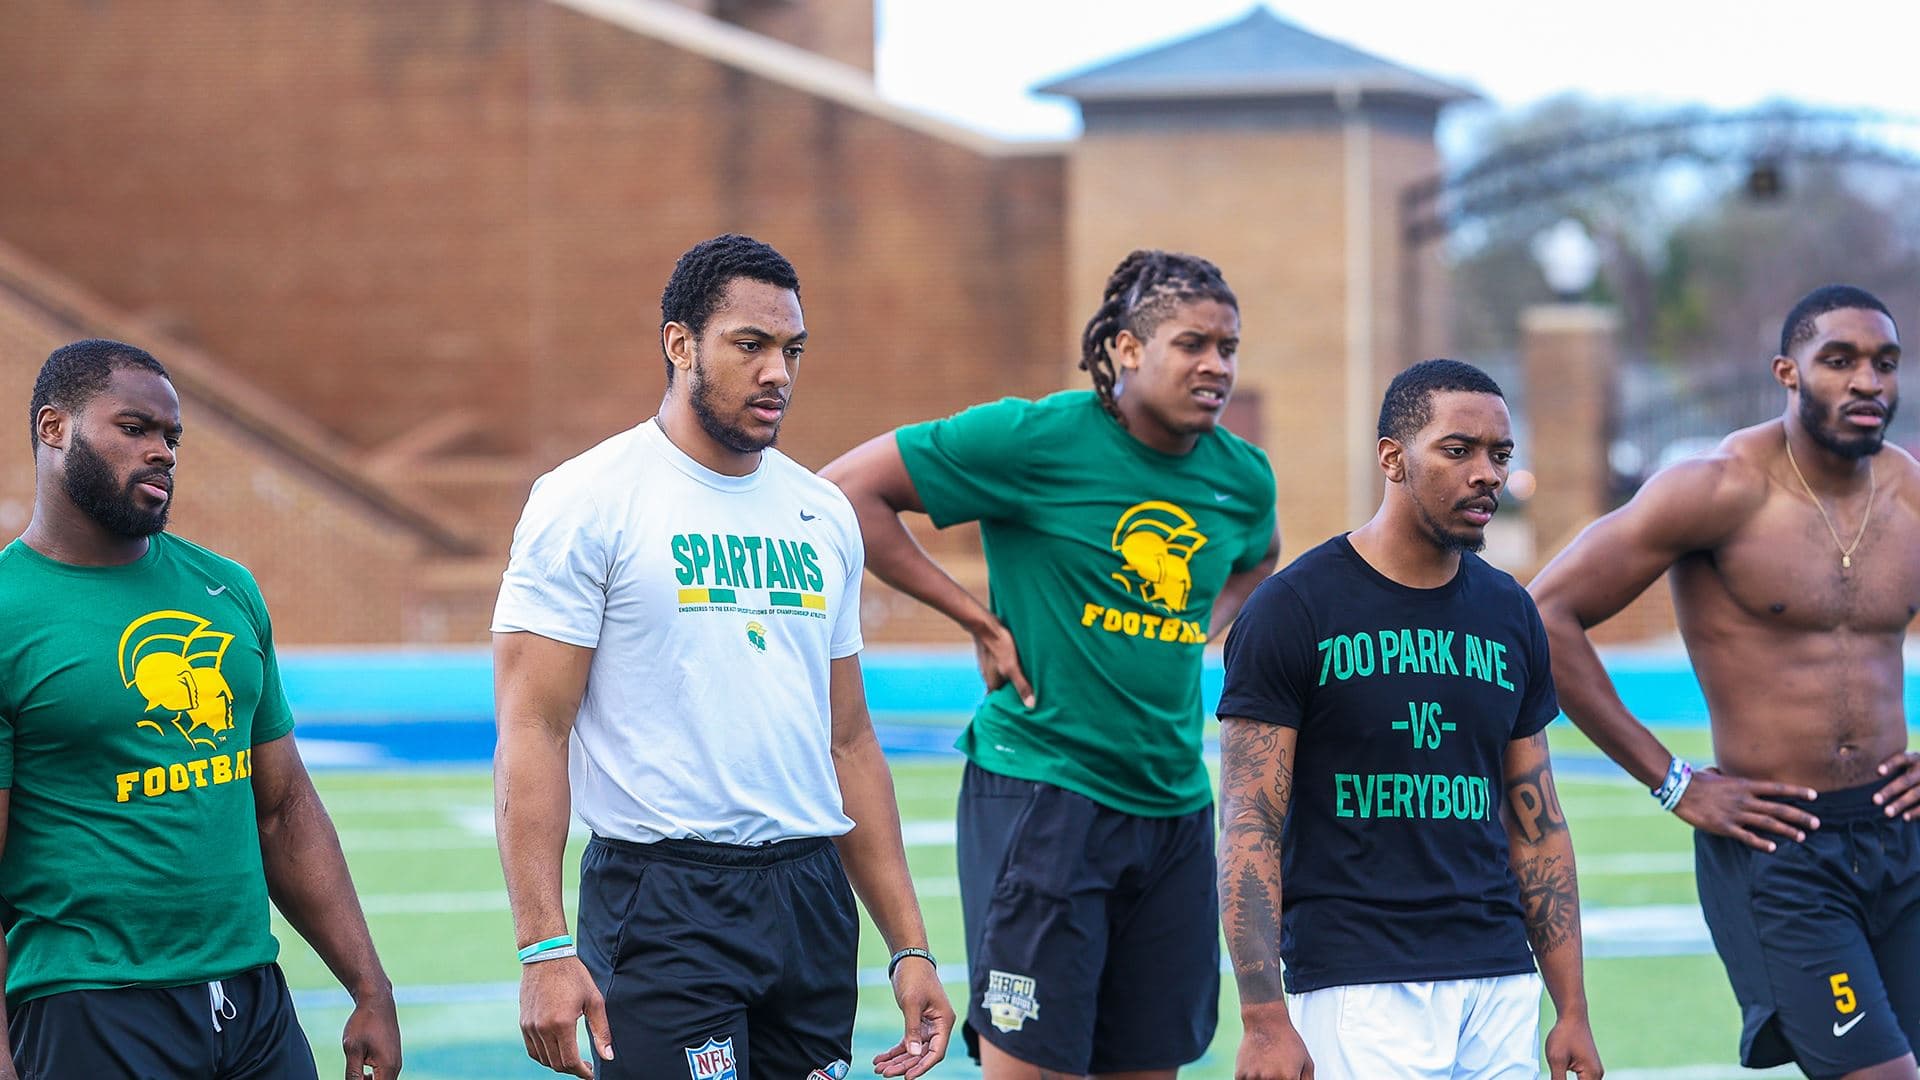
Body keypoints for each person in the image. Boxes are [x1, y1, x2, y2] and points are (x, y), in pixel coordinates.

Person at [492, 233, 953, 1080]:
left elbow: (848, 741)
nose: (778, 371)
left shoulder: (823, 513)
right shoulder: (586, 500)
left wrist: (909, 948)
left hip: (810, 898)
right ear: (680, 344)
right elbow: (533, 729)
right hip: (663, 900)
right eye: (751, 345)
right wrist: (543, 948)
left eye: (792, 350)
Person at [822, 249, 1280, 1079]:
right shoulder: (1035, 437)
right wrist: (976, 618)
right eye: (1193, 344)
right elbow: (846, 491)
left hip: (1176, 808)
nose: (1217, 366)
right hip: (1043, 794)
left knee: (1149, 1064)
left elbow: (1260, 556)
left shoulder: (1242, 478)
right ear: (1130, 349)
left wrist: (1208, 621)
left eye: (1229, 347)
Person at [1531, 284, 1920, 1079]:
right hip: (1779, 847)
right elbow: (1545, 615)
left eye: (1884, 363)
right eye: (1838, 361)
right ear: (1788, 372)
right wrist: (1672, 782)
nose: (1866, 383)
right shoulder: (1717, 490)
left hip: (1900, 836)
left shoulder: (1913, 497)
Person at [0, 339, 402, 1079]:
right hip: (90, 1006)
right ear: (53, 428)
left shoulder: (227, 589)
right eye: (134, 429)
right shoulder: (8, 613)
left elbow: (282, 810)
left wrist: (369, 986)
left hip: (252, 1002)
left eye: (171, 436)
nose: (161, 451)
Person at [1217, 359, 1602, 1080]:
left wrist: (1570, 1007)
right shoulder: (1293, 609)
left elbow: (1537, 824)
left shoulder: (1509, 610)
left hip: (1498, 978)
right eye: (1458, 450)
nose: (1486, 473)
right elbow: (1247, 827)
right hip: (1356, 983)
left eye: (1500, 454)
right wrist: (1264, 1016)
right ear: (1393, 458)